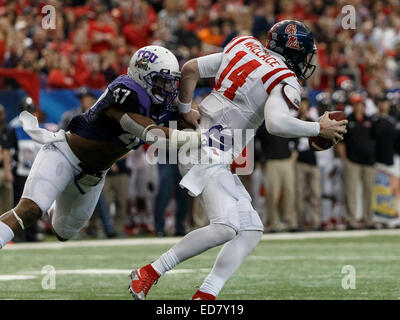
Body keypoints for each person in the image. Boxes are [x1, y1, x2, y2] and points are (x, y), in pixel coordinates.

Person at [129, 20, 347, 300]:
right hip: (208, 151)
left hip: (199, 142)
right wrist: (317, 128)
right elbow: (277, 124)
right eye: (305, 54)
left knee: (251, 228)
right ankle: (149, 272)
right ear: (293, 51)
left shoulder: (245, 44)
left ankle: (206, 295)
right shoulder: (284, 78)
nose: (306, 62)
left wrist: (185, 110)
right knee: (225, 227)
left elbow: (190, 69)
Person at [0, 45, 199, 248]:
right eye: (161, 81)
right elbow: (150, 133)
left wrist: (204, 123)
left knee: (64, 232)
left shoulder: (163, 105)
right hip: (65, 154)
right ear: (141, 76)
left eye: (170, 82)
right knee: (30, 210)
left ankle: (52, 201)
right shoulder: (126, 91)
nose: (167, 88)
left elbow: (193, 120)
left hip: (93, 177)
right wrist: (200, 139)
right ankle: (44, 201)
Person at [337, 93, 376, 229]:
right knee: (351, 191)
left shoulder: (370, 120)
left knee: (369, 191)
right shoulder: (348, 121)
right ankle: (351, 219)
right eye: (355, 104)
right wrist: (345, 159)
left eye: (360, 104)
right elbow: (341, 142)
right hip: (352, 160)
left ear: (363, 105)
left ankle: (368, 219)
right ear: (352, 106)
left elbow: (374, 140)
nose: (358, 106)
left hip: (368, 161)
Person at [0, 105, 16, 214]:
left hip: (6, 168)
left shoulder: (9, 130)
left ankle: (4, 229)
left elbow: (7, 151)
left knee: (7, 205)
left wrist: (8, 171)